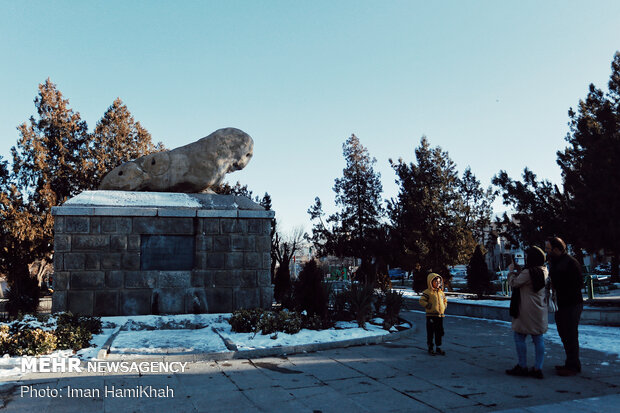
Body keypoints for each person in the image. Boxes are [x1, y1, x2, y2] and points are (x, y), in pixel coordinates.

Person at [505, 246, 549, 379]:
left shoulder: (528, 272)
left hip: (525, 308)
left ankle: (522, 365)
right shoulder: (544, 270)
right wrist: (520, 270)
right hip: (539, 308)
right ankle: (538, 367)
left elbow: (514, 283)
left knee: (519, 336)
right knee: (538, 337)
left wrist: (512, 271)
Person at [545, 236, 584, 376]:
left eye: (548, 249)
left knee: (570, 334)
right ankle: (570, 362)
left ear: (556, 249)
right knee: (564, 333)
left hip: (571, 304)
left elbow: (578, 283)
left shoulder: (570, 262)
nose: (546, 251)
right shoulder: (556, 262)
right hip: (561, 304)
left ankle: (573, 365)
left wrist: (559, 285)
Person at [419, 273, 447, 355]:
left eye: (439, 282)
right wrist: (428, 305)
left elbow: (445, 300)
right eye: (436, 282)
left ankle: (438, 347)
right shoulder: (428, 292)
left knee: (439, 332)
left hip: (440, 315)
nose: (438, 284)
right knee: (431, 332)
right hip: (431, 316)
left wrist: (444, 306)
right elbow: (421, 300)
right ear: (431, 282)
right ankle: (430, 347)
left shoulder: (441, 292)